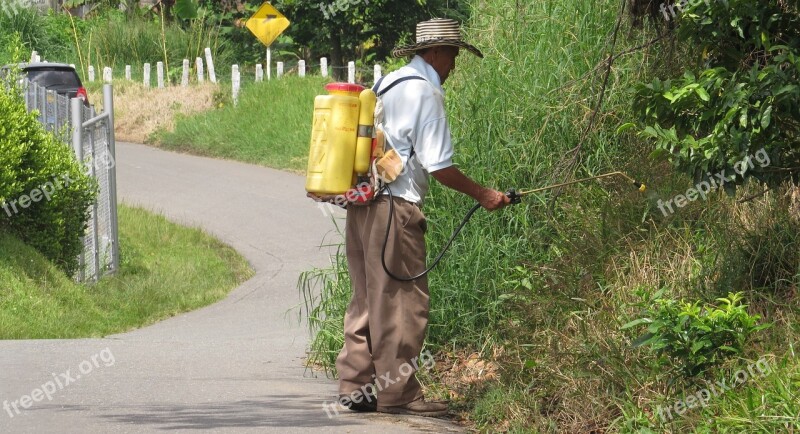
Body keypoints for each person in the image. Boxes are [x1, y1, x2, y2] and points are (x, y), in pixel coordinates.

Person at [318, 18, 510, 417]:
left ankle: (357, 386)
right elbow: (439, 166)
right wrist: (485, 194)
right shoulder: (426, 93)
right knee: (403, 303)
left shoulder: (387, 83)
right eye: (453, 55)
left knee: (366, 296)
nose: (454, 65)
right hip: (395, 209)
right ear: (436, 52)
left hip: (362, 202)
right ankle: (399, 394)